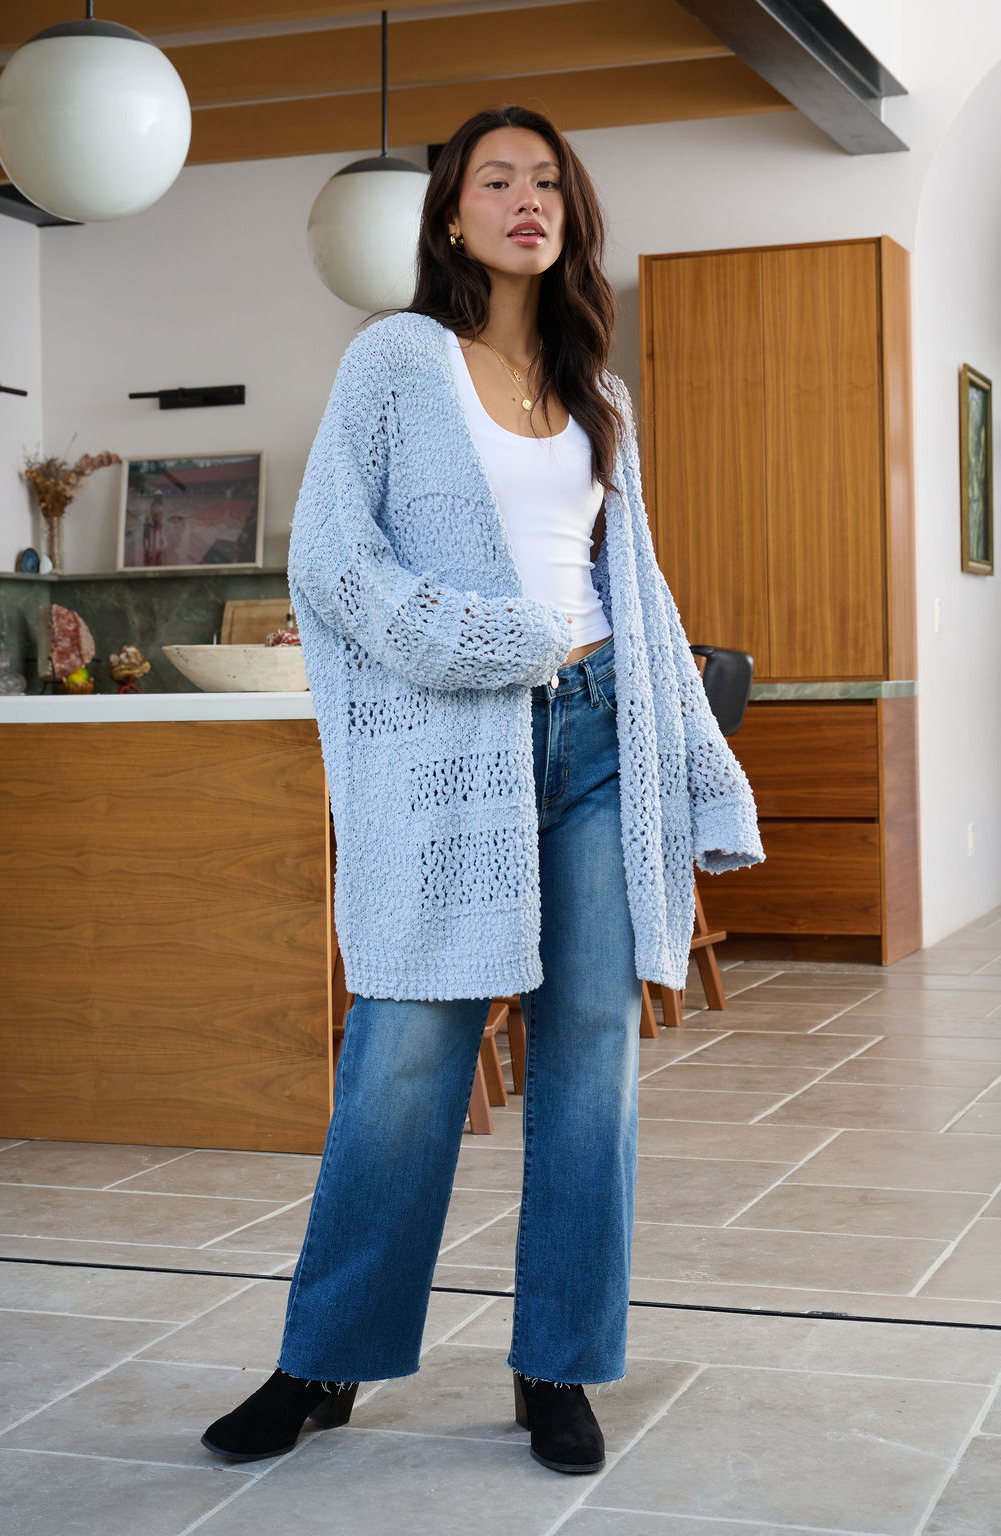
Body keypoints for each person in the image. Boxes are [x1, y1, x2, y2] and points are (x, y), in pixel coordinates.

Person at [201, 103, 763, 1475]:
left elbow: (634, 588)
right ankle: (323, 1361)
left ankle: (557, 1367)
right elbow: (334, 563)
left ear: (572, 214)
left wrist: (697, 754)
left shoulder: (596, 391)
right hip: (459, 744)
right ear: (451, 215)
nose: (527, 199)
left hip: (602, 731)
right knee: (408, 1044)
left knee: (590, 1054)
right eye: (497, 179)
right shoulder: (396, 361)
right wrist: (495, 640)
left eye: (548, 181)